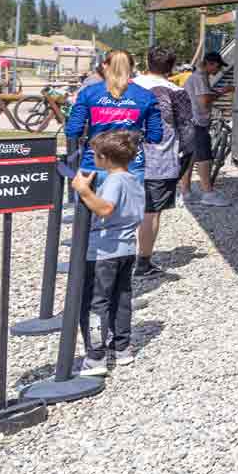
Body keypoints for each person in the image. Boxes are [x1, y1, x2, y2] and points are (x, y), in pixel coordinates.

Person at [72, 129, 146, 375]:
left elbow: (105, 209)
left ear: (105, 157)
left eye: (94, 153)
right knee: (121, 298)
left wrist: (84, 190)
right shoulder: (133, 179)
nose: (92, 157)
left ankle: (95, 357)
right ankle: (122, 347)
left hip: (104, 252)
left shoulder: (114, 181)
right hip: (127, 249)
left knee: (96, 302)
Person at [132, 45, 193, 279]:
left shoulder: (128, 87)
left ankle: (113, 259)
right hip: (160, 160)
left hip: (123, 157)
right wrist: (184, 164)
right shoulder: (175, 92)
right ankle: (143, 262)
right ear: (171, 67)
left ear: (148, 62)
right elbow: (187, 131)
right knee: (151, 212)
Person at [61, 49, 162, 179]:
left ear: (104, 65)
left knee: (92, 200)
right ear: (131, 67)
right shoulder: (146, 96)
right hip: (131, 164)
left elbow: (73, 130)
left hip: (95, 163)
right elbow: (156, 135)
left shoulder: (88, 93)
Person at [181, 51, 232, 207]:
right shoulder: (199, 78)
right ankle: (208, 193)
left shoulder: (198, 77)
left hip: (190, 123)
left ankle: (186, 192)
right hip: (197, 123)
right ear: (211, 64)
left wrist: (215, 93)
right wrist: (223, 92)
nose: (218, 71)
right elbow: (204, 101)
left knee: (190, 158)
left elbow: (205, 96)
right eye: (217, 67)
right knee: (205, 158)